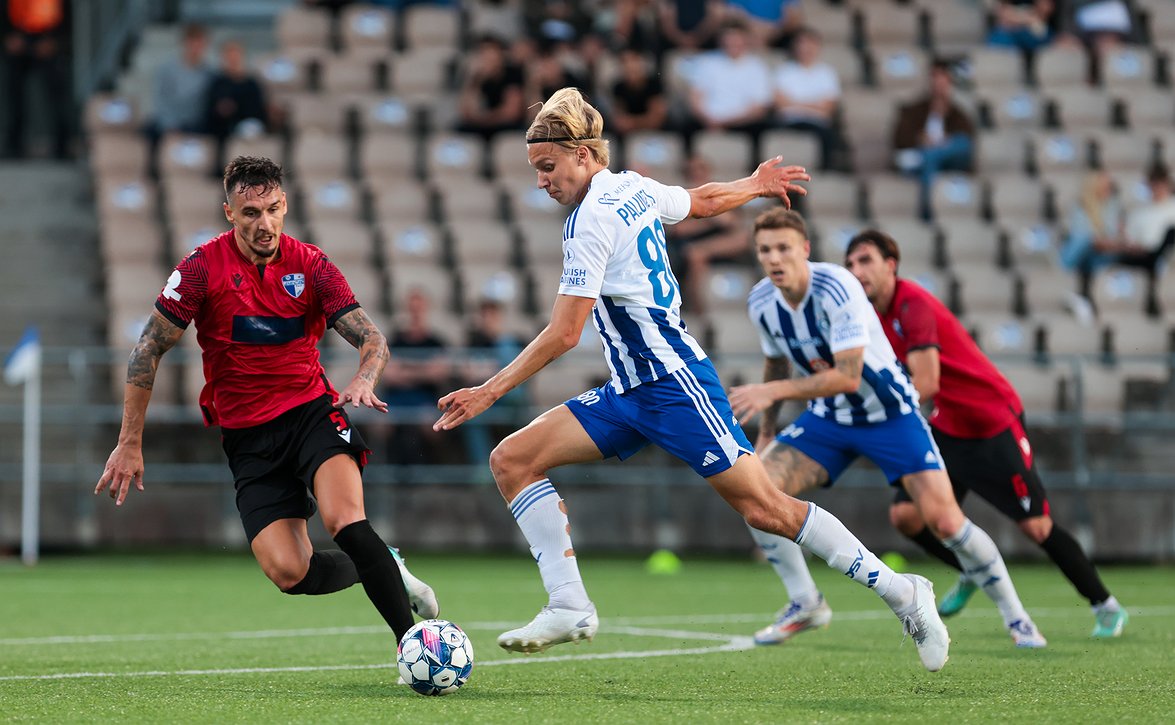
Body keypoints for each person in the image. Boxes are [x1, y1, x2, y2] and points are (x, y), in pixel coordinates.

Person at [431, 87, 950, 672]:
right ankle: (569, 603)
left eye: (548, 167)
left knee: (767, 510)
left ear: (583, 155)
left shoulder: (591, 219)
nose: (541, 180)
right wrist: (753, 185)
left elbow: (565, 332)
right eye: (535, 170)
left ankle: (904, 592)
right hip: (629, 390)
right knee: (513, 460)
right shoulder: (631, 186)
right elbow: (698, 202)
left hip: (676, 385)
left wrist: (489, 390)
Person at [94, 156, 438, 649]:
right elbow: (147, 348)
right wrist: (129, 443)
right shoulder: (200, 269)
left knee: (346, 522)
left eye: (273, 209)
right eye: (251, 212)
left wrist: (364, 378)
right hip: (247, 435)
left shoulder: (312, 265)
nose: (265, 223)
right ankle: (387, 565)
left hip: (311, 413)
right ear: (229, 212)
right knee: (288, 572)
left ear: (285, 205)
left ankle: (415, 647)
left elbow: (373, 339)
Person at [727, 208, 1046, 649]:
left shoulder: (837, 286)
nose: (774, 258)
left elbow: (848, 375)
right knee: (755, 489)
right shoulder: (762, 301)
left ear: (805, 249)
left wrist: (772, 391)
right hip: (832, 417)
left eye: (784, 248)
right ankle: (806, 602)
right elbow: (776, 360)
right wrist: (767, 431)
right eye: (765, 250)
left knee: (947, 523)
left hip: (891, 414)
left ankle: (1017, 617)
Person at [844, 228, 1129, 638]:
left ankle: (1106, 605)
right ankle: (974, 571)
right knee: (906, 516)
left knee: (1036, 528)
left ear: (891, 265)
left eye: (865, 260)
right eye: (850, 264)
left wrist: (867, 420)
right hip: (946, 427)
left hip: (990, 423)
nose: (856, 270)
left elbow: (925, 384)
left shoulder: (914, 305)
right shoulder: (870, 317)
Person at [664, 154, 750, 314]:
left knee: (744, 237)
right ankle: (699, 312)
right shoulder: (678, 197)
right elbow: (678, 229)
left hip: (720, 245)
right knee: (696, 256)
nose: (697, 174)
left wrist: (706, 216)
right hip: (687, 249)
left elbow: (732, 222)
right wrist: (711, 215)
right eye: (692, 171)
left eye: (701, 169)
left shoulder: (723, 194)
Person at [891, 59, 975, 221]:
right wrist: (920, 138)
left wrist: (945, 142)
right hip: (922, 157)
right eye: (936, 77)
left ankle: (928, 208)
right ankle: (928, 210)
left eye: (943, 78)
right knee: (929, 156)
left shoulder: (957, 112)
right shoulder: (914, 109)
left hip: (948, 159)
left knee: (961, 143)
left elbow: (966, 139)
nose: (939, 83)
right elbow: (899, 137)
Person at [381, 288, 452, 464]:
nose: (415, 313)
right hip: (395, 399)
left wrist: (405, 370)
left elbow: (438, 374)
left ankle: (430, 473)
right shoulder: (395, 339)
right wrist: (423, 370)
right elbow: (389, 375)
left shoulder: (436, 341)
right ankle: (389, 474)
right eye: (412, 309)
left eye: (419, 309)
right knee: (380, 425)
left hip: (426, 399)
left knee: (432, 426)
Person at [2, 0, 69, 159]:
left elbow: (64, 9)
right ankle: (13, 145)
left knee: (56, 96)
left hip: (48, 36)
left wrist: (55, 39)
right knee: (14, 96)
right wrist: (7, 35)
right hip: (18, 35)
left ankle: (62, 145)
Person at [144, 23, 212, 173]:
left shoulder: (209, 73)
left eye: (200, 44)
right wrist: (170, 124)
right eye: (193, 43)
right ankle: (155, 177)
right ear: (185, 43)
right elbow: (161, 99)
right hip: (171, 122)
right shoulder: (167, 70)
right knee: (149, 131)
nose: (196, 48)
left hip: (196, 124)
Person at [772, 26, 842, 171]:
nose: (805, 49)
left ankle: (825, 172)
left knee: (831, 137)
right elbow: (779, 104)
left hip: (817, 123)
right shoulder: (784, 71)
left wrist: (795, 104)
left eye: (810, 44)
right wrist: (814, 105)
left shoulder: (827, 73)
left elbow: (829, 107)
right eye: (801, 44)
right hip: (789, 121)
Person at [204, 40, 270, 173]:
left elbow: (258, 110)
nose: (233, 60)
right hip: (222, 129)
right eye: (229, 56)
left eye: (236, 55)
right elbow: (209, 110)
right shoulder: (217, 83)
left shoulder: (252, 83)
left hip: (247, 127)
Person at [456, 34, 527, 142]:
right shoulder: (475, 77)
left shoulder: (512, 74)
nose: (487, 57)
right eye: (482, 53)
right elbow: (466, 112)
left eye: (491, 52)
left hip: (505, 126)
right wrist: (474, 81)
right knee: (459, 130)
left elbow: (511, 113)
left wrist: (483, 120)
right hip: (481, 125)